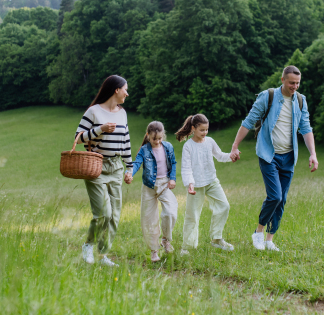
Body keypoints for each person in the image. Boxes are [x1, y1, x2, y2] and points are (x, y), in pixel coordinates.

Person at [230, 65, 319, 252]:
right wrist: (235, 146)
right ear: (282, 80)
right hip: (268, 155)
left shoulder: (301, 101)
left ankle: (270, 240)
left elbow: (306, 128)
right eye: (291, 83)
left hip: (289, 156)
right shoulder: (268, 96)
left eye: (297, 83)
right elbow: (248, 121)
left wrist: (313, 153)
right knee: (275, 196)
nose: (295, 86)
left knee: (282, 199)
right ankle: (258, 232)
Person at [76, 75, 133, 267]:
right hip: (96, 166)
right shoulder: (93, 112)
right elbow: (79, 138)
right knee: (103, 213)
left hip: (116, 167)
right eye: (125, 89)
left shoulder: (122, 113)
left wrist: (129, 167)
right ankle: (88, 246)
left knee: (115, 215)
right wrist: (100, 129)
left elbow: (125, 141)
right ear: (116, 90)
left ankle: (103, 255)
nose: (127, 92)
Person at [175, 114, 236, 255]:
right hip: (195, 185)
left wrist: (231, 156)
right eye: (202, 130)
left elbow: (220, 155)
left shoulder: (210, 142)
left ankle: (216, 239)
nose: (205, 133)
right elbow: (186, 167)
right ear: (193, 128)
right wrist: (189, 183)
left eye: (207, 129)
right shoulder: (188, 146)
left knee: (224, 205)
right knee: (192, 215)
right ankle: (187, 247)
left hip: (211, 181)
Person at [127, 121, 178, 263]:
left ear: (163, 136)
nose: (157, 141)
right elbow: (137, 163)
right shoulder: (144, 150)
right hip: (149, 187)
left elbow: (173, 162)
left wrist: (172, 179)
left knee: (171, 212)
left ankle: (166, 240)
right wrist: (130, 173)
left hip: (164, 185)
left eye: (160, 138)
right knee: (149, 219)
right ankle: (154, 250)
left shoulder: (168, 147)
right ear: (148, 135)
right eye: (154, 139)